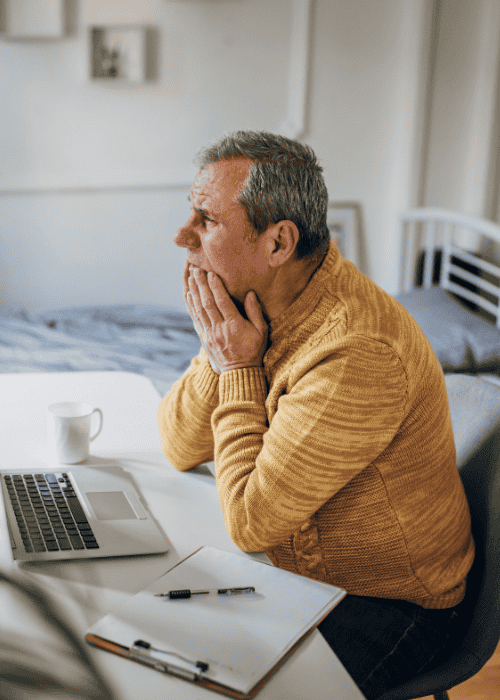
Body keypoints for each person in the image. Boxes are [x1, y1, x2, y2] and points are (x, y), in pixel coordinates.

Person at [158, 130, 475, 699]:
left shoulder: (356, 351)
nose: (182, 236)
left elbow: (251, 523)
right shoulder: (256, 308)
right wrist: (219, 350)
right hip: (299, 576)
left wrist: (236, 370)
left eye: (206, 219)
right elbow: (180, 444)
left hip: (389, 606)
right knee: (142, 646)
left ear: (278, 243)